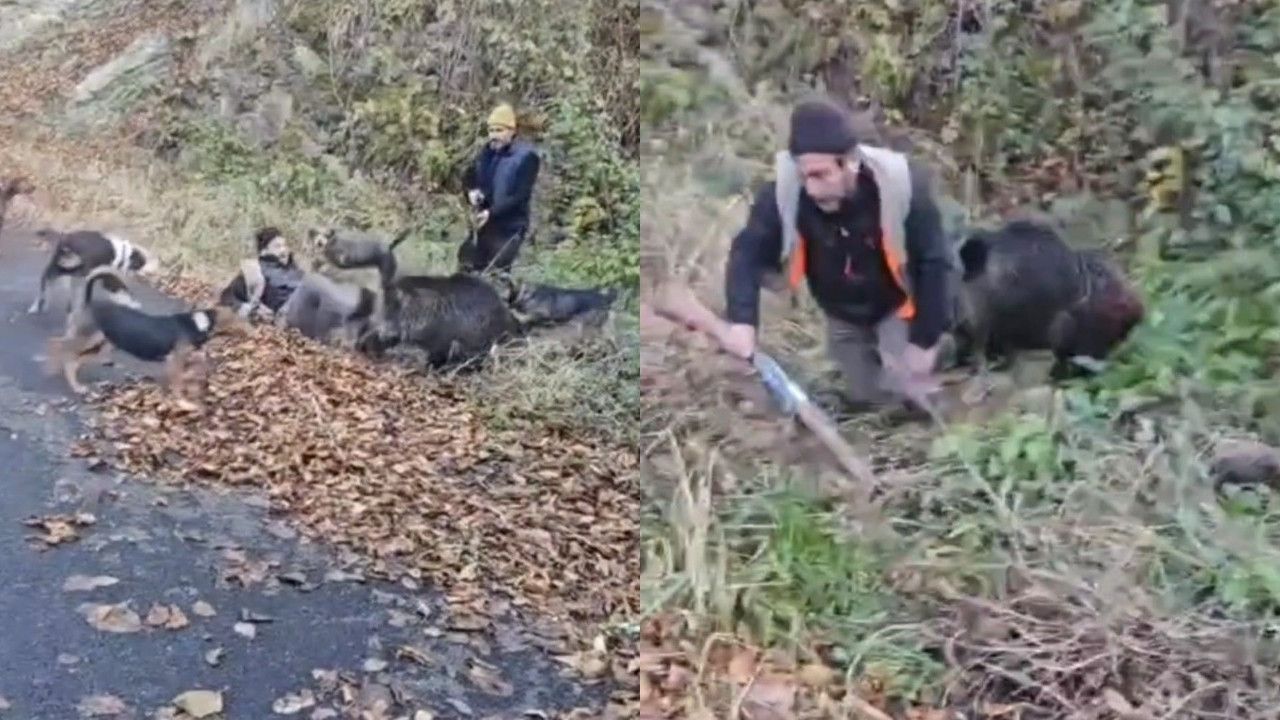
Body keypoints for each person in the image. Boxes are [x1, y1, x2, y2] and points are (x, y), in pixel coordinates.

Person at [721, 98, 954, 411]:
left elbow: (934, 262)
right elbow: (747, 252)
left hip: (897, 305)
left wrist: (924, 340)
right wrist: (742, 321)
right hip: (841, 312)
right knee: (867, 398)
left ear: (851, 163)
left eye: (822, 175)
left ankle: (950, 341)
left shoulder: (901, 186)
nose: (813, 190)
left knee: (911, 394)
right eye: (806, 178)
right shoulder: (784, 195)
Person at [458, 103, 542, 274]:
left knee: (497, 273)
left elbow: (519, 195)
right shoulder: (486, 153)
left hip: (510, 227)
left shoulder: (526, 157)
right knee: (467, 266)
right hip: (484, 225)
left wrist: (492, 213)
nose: (493, 136)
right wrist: (472, 192)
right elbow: (469, 178)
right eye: (491, 131)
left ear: (512, 131)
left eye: (499, 131)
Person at [217, 227, 305, 320]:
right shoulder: (255, 270)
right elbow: (228, 299)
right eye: (277, 246)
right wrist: (252, 311)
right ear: (264, 251)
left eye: (284, 246)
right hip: (286, 313)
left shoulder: (296, 270)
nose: (283, 250)